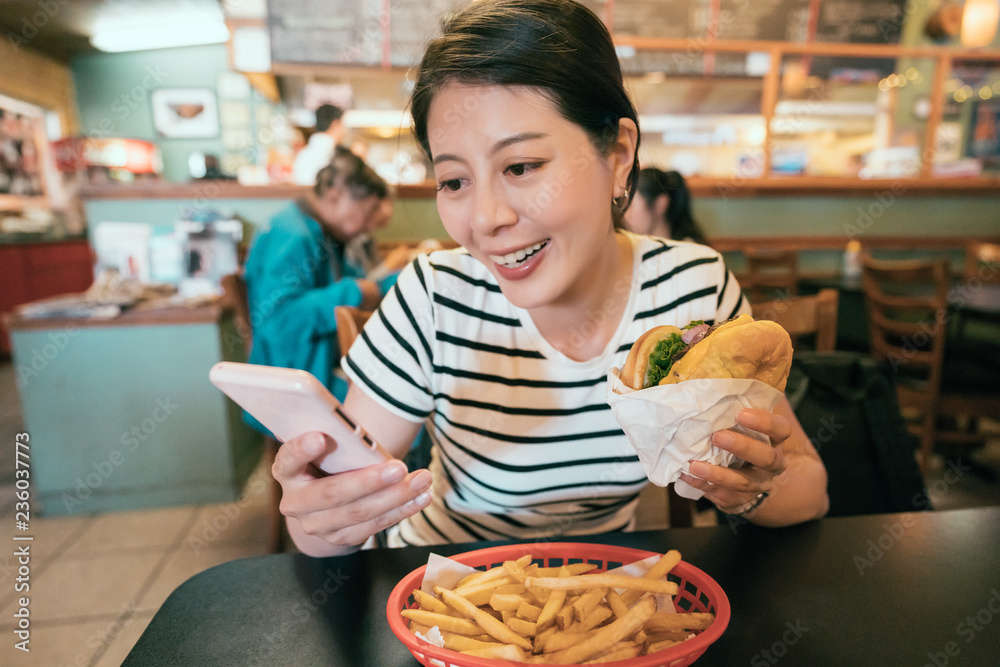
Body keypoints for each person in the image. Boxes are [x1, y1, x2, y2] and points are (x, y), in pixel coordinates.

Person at [273, 0, 829, 556]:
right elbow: (329, 518)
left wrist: (748, 492)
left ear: (617, 155)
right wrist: (320, 517)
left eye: (520, 167)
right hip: (446, 593)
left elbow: (808, 487)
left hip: (608, 594)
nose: (487, 218)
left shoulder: (692, 291)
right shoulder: (435, 297)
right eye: (454, 181)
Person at [243, 147, 396, 410]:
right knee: (399, 404)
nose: (371, 226)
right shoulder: (293, 234)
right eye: (369, 212)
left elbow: (357, 284)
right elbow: (279, 320)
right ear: (335, 195)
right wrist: (354, 292)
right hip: (295, 378)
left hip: (313, 364)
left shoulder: (320, 232)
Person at [624, 167, 709, 245]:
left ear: (660, 204)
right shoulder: (633, 248)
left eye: (631, 206)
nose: (624, 215)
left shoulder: (689, 251)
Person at [292, 104, 347, 186]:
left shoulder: (302, 155)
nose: (345, 130)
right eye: (343, 125)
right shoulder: (335, 156)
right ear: (335, 124)